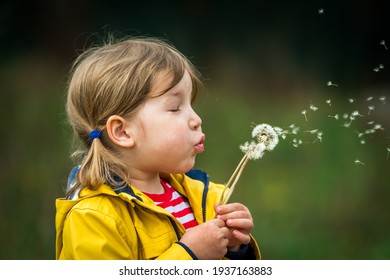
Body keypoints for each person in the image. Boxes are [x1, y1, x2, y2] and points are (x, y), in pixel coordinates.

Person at [55, 36, 261, 260]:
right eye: (175, 108)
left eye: (191, 105)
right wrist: (189, 256)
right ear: (123, 132)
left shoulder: (196, 197)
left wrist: (235, 250)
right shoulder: (94, 218)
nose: (196, 120)